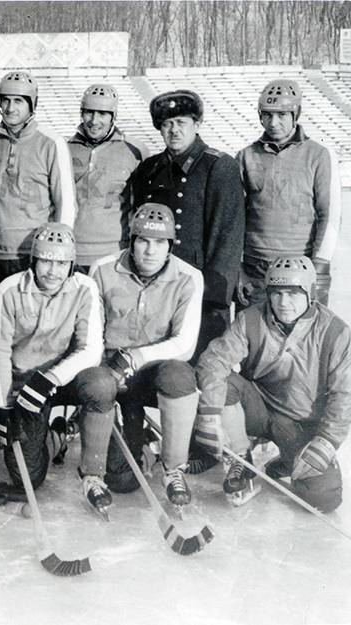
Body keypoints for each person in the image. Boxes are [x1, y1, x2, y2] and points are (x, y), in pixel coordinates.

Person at [196, 256, 350, 512]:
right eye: (276, 293)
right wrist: (210, 412)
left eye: (293, 293)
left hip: (302, 424)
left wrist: (326, 441)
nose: (283, 302)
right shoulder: (251, 318)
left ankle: (290, 459)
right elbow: (214, 360)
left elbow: (345, 395)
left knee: (323, 499)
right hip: (258, 408)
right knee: (225, 384)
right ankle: (242, 458)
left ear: (310, 293)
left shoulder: (336, 332)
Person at [84, 204, 204, 509]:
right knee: (122, 481)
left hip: (154, 374)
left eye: (160, 242)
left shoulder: (189, 277)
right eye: (143, 241)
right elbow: (92, 334)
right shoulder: (102, 268)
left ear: (170, 246)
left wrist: (135, 356)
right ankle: (139, 441)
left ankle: (172, 468)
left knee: (180, 375)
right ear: (131, 240)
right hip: (114, 375)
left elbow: (185, 344)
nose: (151, 251)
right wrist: (107, 375)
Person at [0, 223, 105, 512]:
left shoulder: (86, 287)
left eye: (61, 263)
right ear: (33, 261)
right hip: (26, 382)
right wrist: (3, 406)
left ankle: (91, 467)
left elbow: (91, 349)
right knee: (27, 477)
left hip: (67, 376)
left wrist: (50, 379)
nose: (53, 271)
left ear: (72, 264)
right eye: (46, 261)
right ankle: (56, 437)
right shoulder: (9, 289)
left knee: (101, 384)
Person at [131, 90, 244, 360]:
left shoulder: (218, 166)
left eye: (181, 122)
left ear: (196, 124)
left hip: (200, 288)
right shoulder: (149, 169)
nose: (174, 130)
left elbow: (227, 237)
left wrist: (215, 296)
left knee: (201, 363)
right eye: (167, 124)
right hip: (158, 284)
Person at [236, 79, 341, 307]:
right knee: (255, 337)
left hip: (301, 265)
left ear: (296, 113)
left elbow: (329, 215)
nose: (273, 122)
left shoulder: (319, 155)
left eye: (282, 114)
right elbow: (234, 218)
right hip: (256, 267)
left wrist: (319, 266)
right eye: (267, 115)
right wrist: (238, 269)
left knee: (301, 338)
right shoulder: (246, 156)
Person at [0, 70, 76, 296]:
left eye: (18, 101)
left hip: (34, 254)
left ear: (31, 105)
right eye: (5, 100)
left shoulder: (51, 143)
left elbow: (65, 202)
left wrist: (59, 253)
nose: (10, 107)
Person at [67, 83, 149, 272]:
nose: (94, 121)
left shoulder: (135, 151)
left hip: (115, 252)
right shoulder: (64, 148)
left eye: (102, 114)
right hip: (73, 251)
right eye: (89, 112)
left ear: (113, 116)